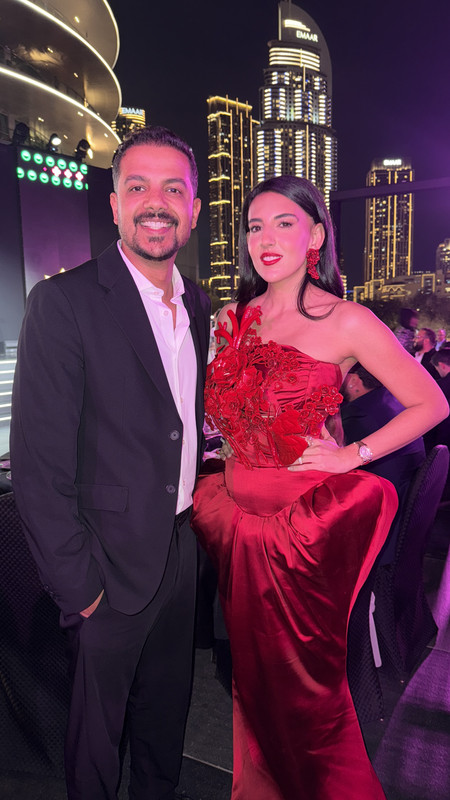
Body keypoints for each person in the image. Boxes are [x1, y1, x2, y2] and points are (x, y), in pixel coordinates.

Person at [191, 176, 447, 800]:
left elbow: (431, 403)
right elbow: (236, 413)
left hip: (301, 531)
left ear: (315, 237)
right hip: (238, 524)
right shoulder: (230, 319)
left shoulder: (346, 319)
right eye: (255, 226)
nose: (266, 238)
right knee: (252, 682)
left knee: (307, 688)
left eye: (285, 223)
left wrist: (351, 455)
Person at [10, 126, 211, 800]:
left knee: (165, 720)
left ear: (193, 209)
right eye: (138, 187)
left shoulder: (198, 304)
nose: (156, 202)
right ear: (115, 204)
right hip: (104, 565)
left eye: (173, 189)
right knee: (95, 747)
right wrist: (80, 588)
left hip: (180, 552)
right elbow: (38, 467)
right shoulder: (63, 302)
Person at [341, 363, 425, 563]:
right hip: (405, 507)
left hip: (380, 518)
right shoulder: (392, 400)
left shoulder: (359, 414)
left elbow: (339, 462)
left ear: (354, 380)